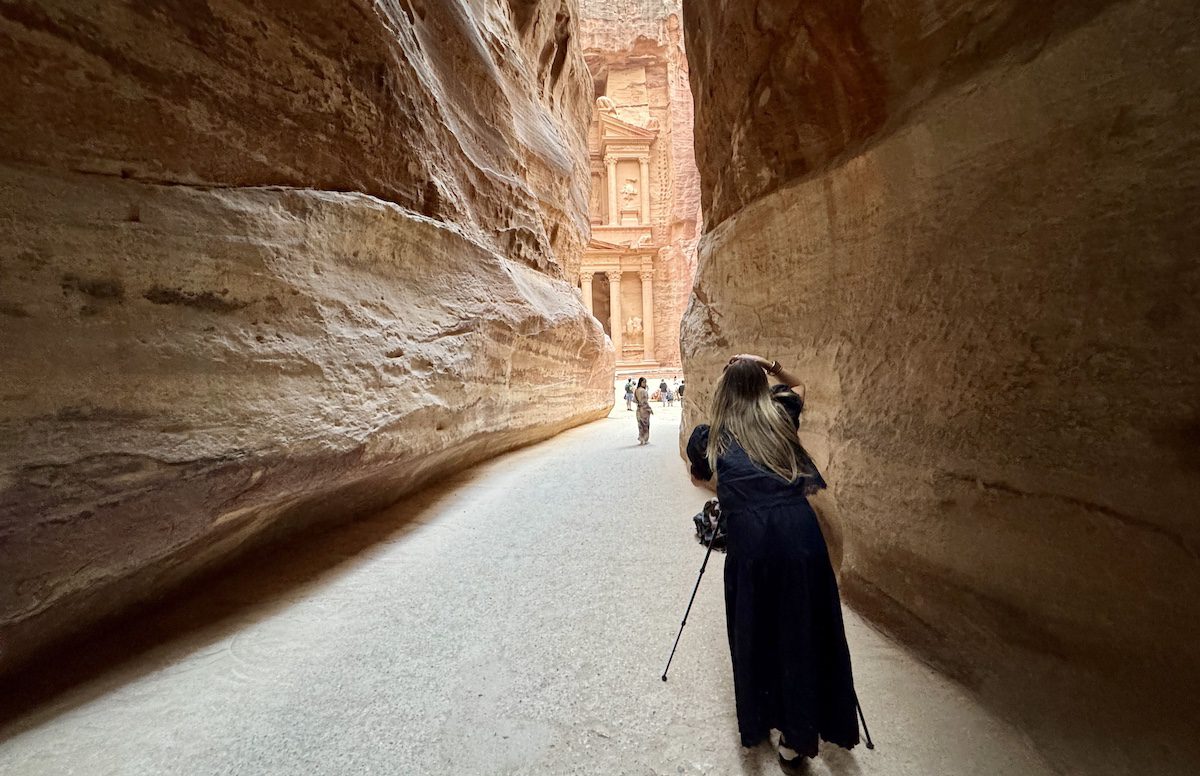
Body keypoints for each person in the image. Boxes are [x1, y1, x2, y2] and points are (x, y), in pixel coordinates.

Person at [684, 354, 862, 771]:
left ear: (723, 393)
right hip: (801, 535)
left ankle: (764, 718)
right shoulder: (780, 417)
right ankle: (798, 737)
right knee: (803, 624)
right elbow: (798, 386)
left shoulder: (710, 436)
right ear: (763, 389)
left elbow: (699, 477)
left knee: (757, 627)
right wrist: (767, 363)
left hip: (754, 543)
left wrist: (731, 483)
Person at [634, 377, 653, 445]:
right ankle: (645, 438)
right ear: (641, 382)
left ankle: (641, 438)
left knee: (640, 425)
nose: (645, 384)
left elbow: (634, 400)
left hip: (638, 409)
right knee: (645, 425)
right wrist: (649, 409)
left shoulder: (636, 390)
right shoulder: (643, 391)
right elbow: (645, 402)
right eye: (644, 382)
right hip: (644, 410)